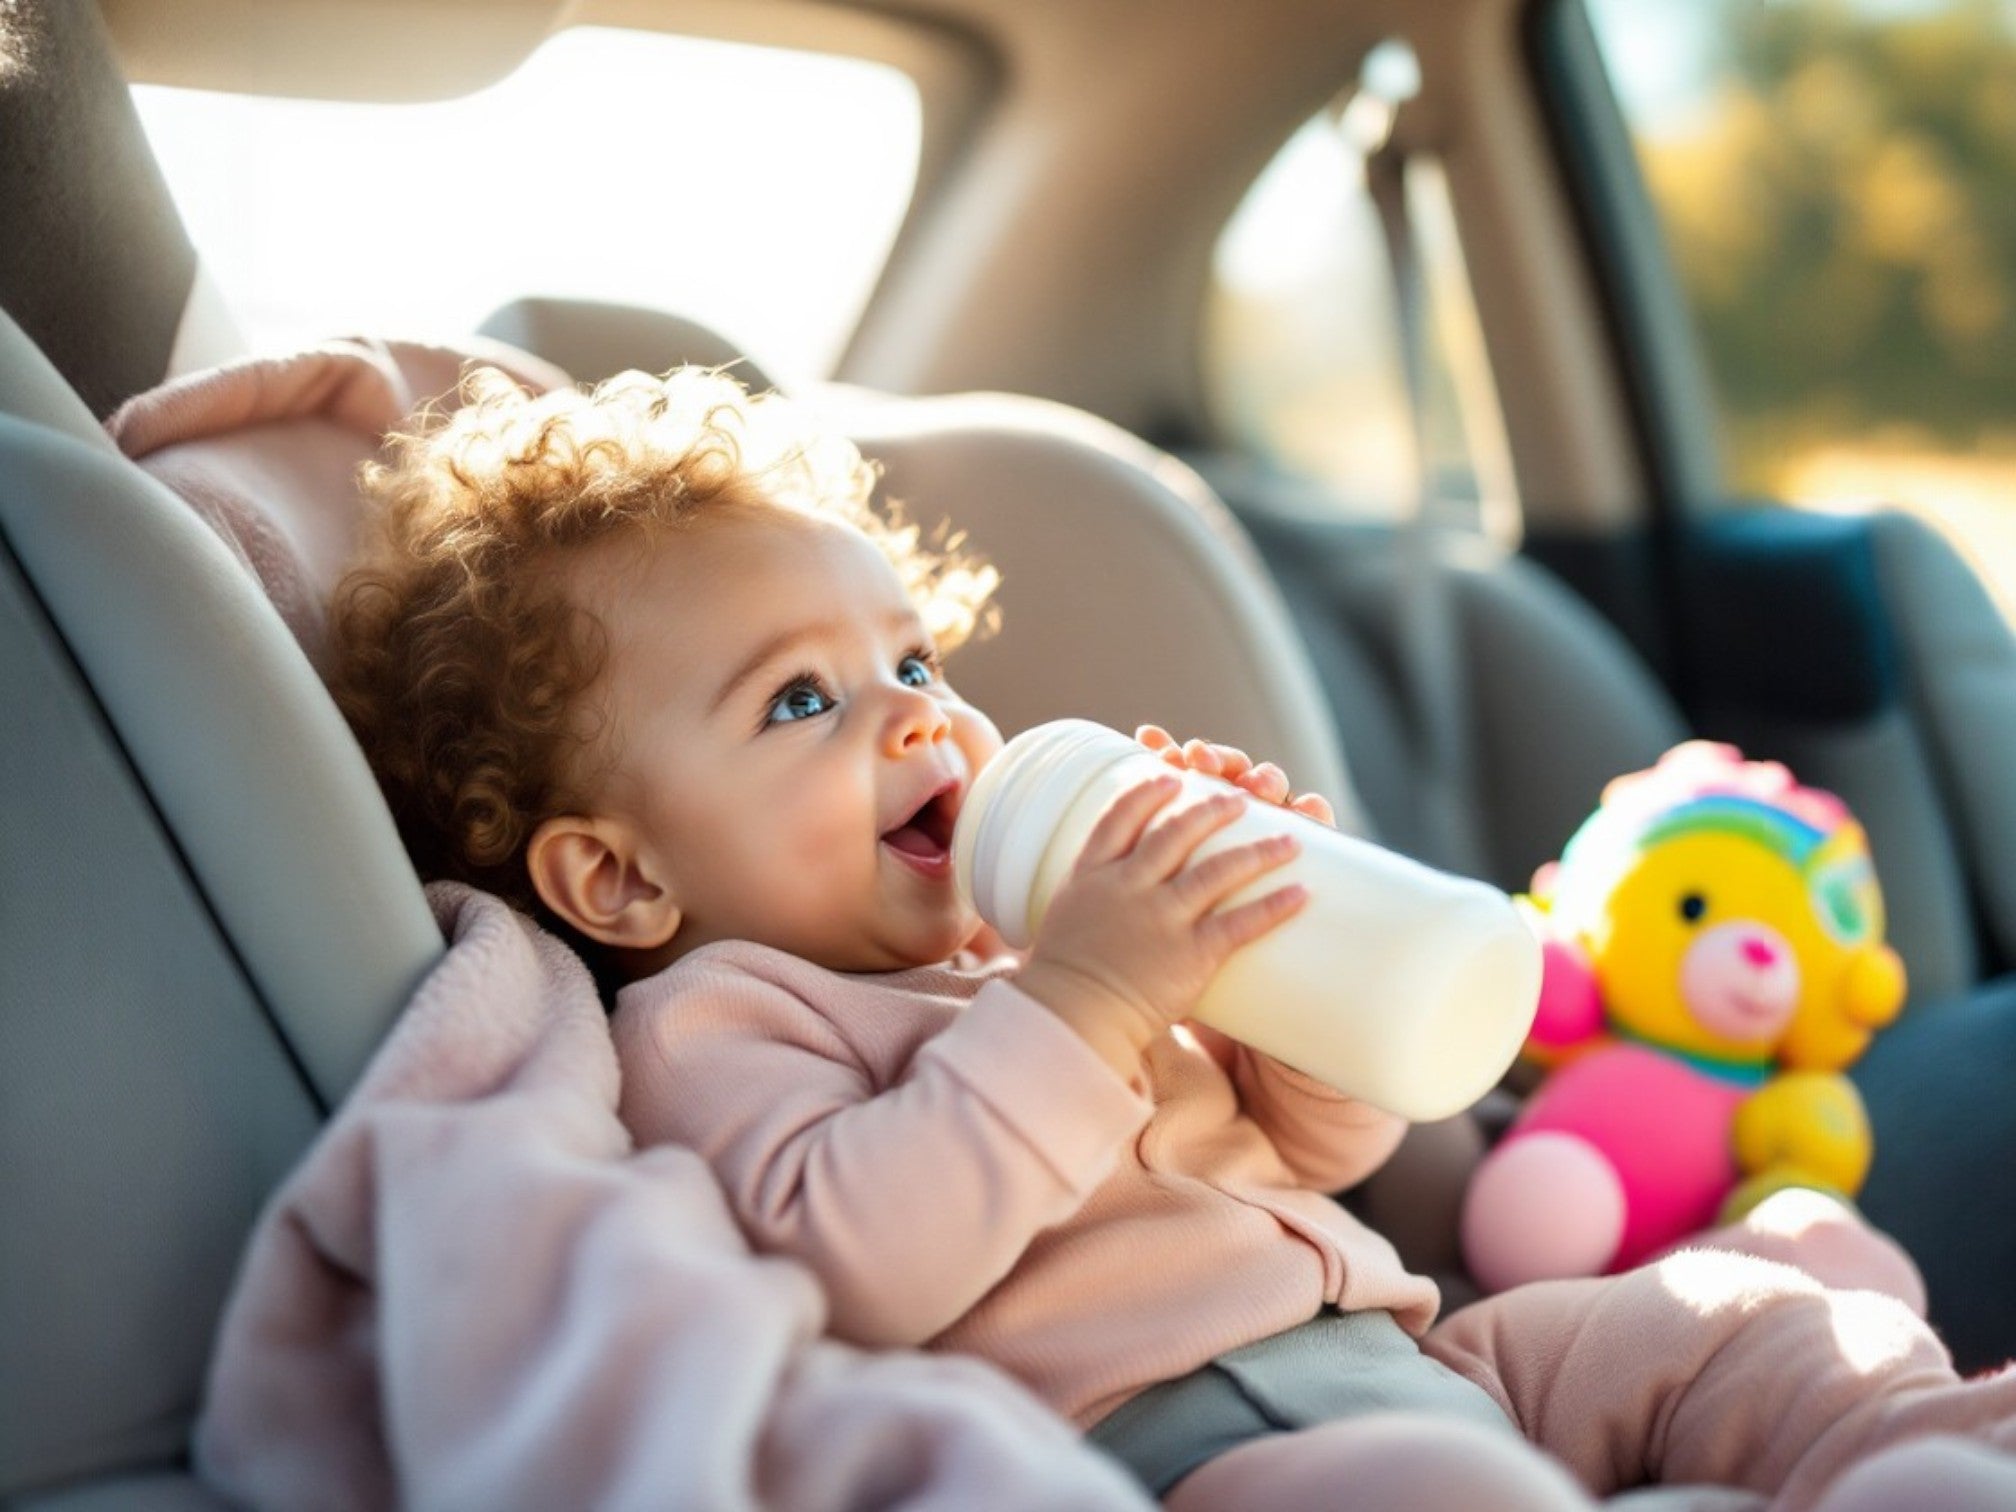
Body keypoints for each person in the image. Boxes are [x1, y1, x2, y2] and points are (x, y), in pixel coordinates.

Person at [329, 364, 2016, 1512]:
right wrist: (1092, 998)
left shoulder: (1022, 939)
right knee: (1435, 1490)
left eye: (914, 666)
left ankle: (1925, 1451)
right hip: (1184, 1429)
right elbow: (850, 1264)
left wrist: (1267, 972)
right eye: (799, 700)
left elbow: (1331, 1149)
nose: (917, 726)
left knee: (1740, 1313)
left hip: (1411, 1343)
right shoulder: (725, 1023)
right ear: (619, 880)